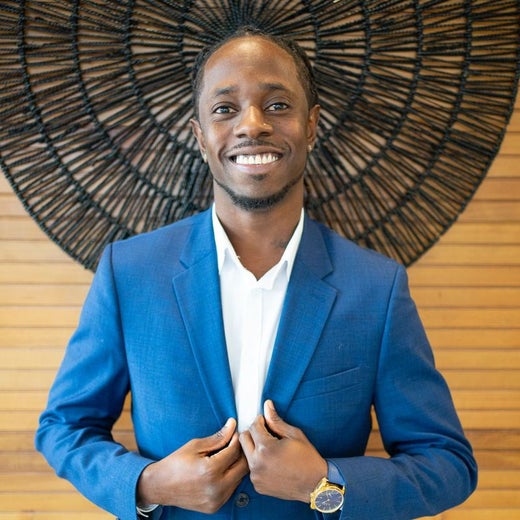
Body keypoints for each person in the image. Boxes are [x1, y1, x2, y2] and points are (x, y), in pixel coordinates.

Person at [35, 26, 477, 520]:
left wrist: (324, 485)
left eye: (277, 105)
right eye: (225, 108)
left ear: (311, 125)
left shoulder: (376, 288)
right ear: (200, 136)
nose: (252, 124)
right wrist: (150, 484)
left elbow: (447, 465)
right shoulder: (129, 272)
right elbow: (64, 429)